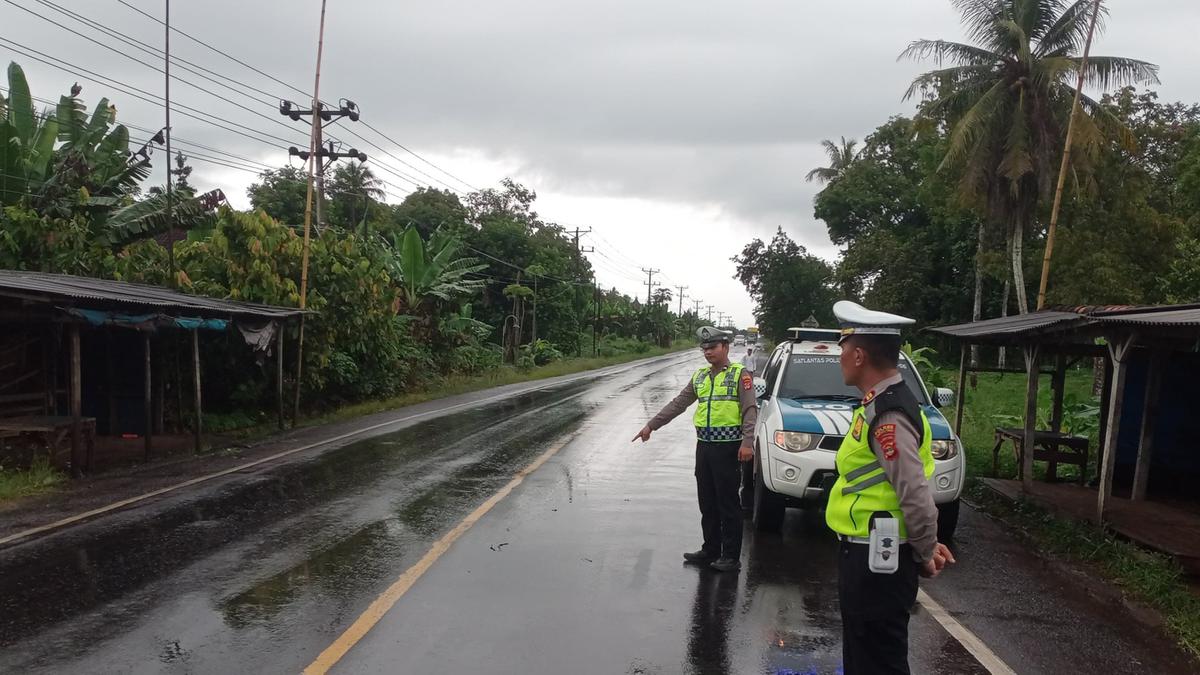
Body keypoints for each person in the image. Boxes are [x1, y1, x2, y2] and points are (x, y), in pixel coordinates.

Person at [825, 301, 956, 675]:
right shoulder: (877, 405)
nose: (841, 358)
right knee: (864, 657)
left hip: (878, 562)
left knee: (879, 662)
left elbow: (914, 494)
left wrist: (926, 550)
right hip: (869, 557)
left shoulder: (889, 415)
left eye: (843, 349)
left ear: (860, 355)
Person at [632, 326, 757, 573]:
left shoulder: (739, 375)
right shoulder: (700, 376)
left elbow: (749, 409)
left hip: (729, 448)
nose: (708, 352)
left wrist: (747, 442)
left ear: (725, 347)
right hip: (705, 447)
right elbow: (679, 403)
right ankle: (710, 549)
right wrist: (651, 425)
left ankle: (731, 556)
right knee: (707, 501)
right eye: (705, 348)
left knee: (728, 503)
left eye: (713, 347)